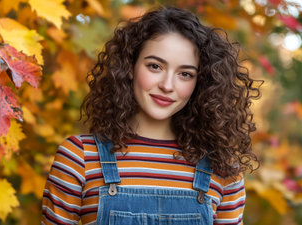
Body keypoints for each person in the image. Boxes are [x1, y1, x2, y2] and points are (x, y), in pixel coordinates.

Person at [42, 6, 261, 225]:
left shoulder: (222, 168)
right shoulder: (79, 158)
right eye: (155, 66)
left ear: (199, 83)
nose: (167, 86)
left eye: (185, 74)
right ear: (130, 67)